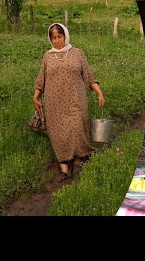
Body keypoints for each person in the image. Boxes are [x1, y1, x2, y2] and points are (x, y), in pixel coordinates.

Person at [33, 23, 106, 182]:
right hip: (54, 103)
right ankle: (64, 170)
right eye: (54, 38)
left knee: (76, 128)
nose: (57, 41)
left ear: (65, 36)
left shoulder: (77, 53)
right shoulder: (48, 56)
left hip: (75, 100)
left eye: (60, 36)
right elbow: (41, 79)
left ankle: (78, 161)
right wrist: (36, 96)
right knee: (58, 134)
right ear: (50, 40)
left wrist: (99, 92)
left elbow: (89, 75)